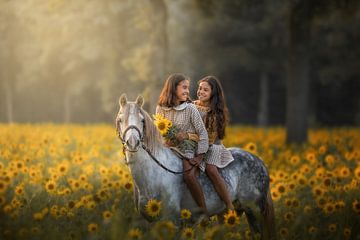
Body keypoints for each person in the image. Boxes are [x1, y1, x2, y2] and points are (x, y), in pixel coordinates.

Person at [156, 73, 210, 218]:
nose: (187, 91)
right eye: (184, 87)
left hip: (187, 148)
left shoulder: (190, 109)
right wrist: (165, 141)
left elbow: (203, 134)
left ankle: (203, 211)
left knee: (188, 175)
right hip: (167, 148)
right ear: (173, 88)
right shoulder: (160, 108)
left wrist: (200, 156)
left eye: (188, 87)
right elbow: (158, 132)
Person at [194, 75, 235, 210]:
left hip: (212, 147)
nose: (201, 92)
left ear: (213, 93)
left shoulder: (215, 112)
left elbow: (210, 139)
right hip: (195, 144)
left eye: (205, 90)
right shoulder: (192, 106)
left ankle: (229, 203)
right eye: (200, 88)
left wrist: (199, 153)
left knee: (211, 169)